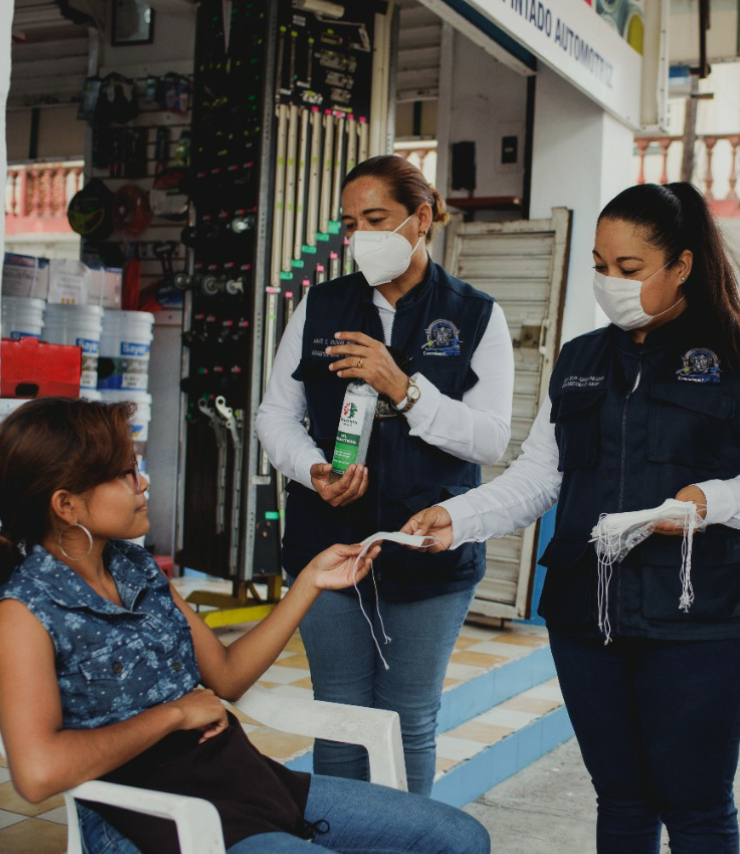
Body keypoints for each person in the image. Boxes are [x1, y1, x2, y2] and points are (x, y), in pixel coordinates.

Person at [402, 182, 740, 852]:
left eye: (629, 270)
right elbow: (540, 476)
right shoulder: (582, 360)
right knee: (620, 800)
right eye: (599, 265)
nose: (609, 282)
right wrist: (457, 517)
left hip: (703, 621)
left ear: (681, 265)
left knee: (695, 804)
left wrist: (711, 503)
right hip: (589, 618)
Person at [0, 398, 490, 854]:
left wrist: (308, 583)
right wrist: (174, 715)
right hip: (148, 817)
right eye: (124, 474)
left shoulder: (131, 567)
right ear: (66, 505)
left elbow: (226, 675)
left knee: (460, 839)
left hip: (236, 779)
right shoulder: (25, 611)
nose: (143, 482)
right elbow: (39, 772)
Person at [255, 155, 514, 795]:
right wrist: (311, 468)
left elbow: (492, 435)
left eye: (376, 218)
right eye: (350, 223)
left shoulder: (477, 315)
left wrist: (405, 390)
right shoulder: (322, 306)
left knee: (408, 720)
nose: (360, 236)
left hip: (427, 547)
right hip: (329, 544)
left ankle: (407, 840)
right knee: (340, 716)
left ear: (420, 218)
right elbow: (275, 415)